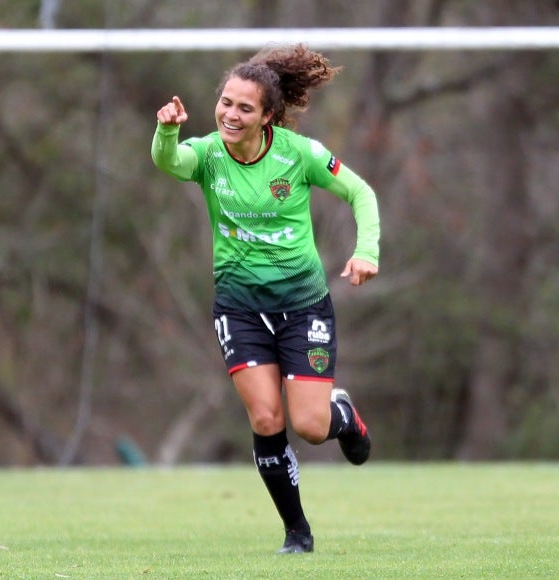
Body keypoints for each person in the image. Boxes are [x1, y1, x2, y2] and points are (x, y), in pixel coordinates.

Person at [151, 43, 380, 555]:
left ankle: (342, 414)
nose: (231, 115)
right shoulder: (209, 153)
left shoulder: (300, 155)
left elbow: (361, 192)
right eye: (226, 103)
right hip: (238, 307)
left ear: (268, 115)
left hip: (302, 306)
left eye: (244, 108)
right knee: (266, 419)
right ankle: (297, 533)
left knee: (310, 426)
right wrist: (167, 128)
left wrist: (367, 251)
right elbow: (170, 161)